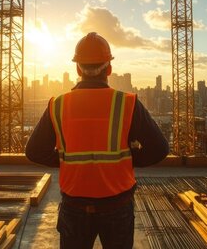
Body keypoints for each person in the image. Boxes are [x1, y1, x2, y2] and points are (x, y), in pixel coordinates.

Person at [26, 32, 169, 249]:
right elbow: (159, 149)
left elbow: (34, 151)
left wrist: (66, 159)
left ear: (77, 69)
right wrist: (128, 159)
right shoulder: (127, 103)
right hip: (117, 207)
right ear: (109, 68)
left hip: (74, 208)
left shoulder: (58, 104)